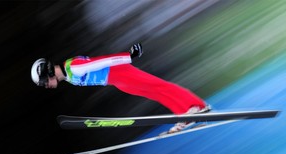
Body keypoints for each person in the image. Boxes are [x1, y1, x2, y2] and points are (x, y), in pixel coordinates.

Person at [31, 43, 210, 133]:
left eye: (45, 82)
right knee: (154, 93)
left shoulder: (74, 67)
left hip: (119, 73)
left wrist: (129, 56)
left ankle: (197, 106)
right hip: (117, 81)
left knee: (159, 87)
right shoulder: (68, 76)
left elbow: (103, 61)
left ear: (48, 74)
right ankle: (186, 114)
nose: (47, 86)